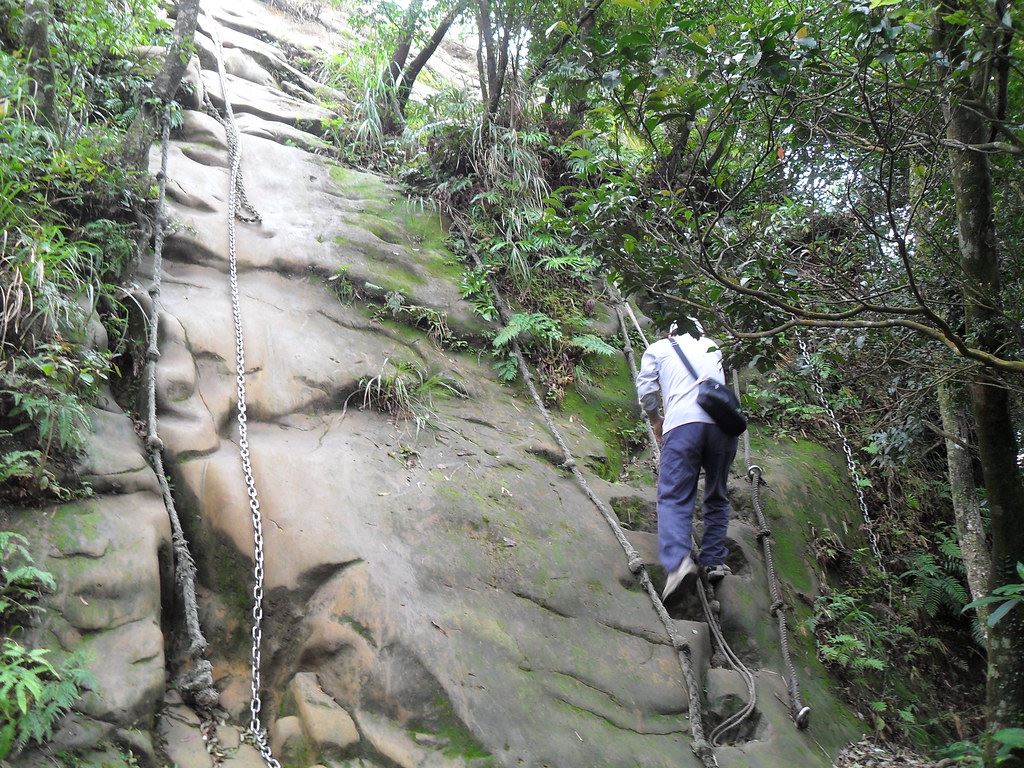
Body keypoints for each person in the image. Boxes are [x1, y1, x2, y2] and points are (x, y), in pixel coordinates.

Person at [635, 321, 738, 605]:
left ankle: (679, 564)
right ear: (701, 331)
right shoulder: (712, 347)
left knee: (674, 496)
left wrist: (656, 421)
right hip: (722, 428)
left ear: (670, 332)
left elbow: (646, 389)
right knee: (717, 493)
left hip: (682, 427)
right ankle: (714, 560)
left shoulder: (658, 348)